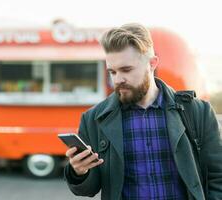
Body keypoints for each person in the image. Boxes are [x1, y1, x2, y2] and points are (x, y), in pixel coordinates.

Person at [64, 23, 222, 200]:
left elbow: (218, 176)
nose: (118, 79)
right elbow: (88, 190)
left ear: (152, 63)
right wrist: (79, 171)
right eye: (112, 72)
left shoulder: (197, 111)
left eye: (126, 70)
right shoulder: (93, 119)